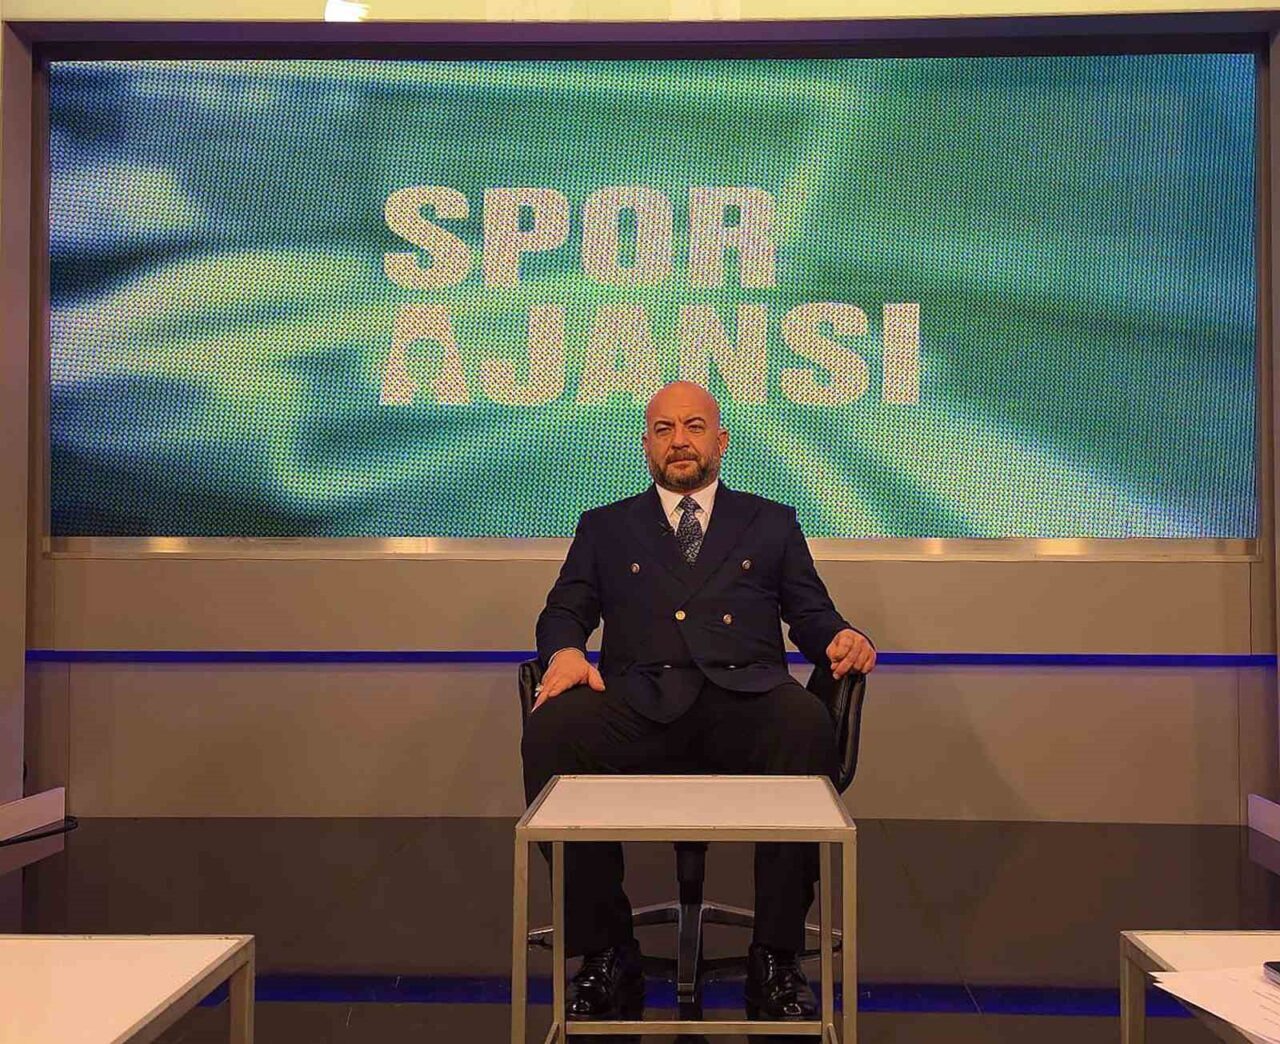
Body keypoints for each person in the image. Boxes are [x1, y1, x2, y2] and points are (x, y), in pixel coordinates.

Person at [521, 380, 876, 1022]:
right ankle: (606, 951)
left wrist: (841, 636)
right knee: (553, 731)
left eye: (693, 427)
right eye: (664, 429)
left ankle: (776, 956)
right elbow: (564, 610)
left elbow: (810, 612)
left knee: (803, 724)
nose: (679, 441)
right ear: (646, 445)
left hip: (745, 700)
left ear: (721, 440)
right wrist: (566, 652)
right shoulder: (606, 526)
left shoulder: (770, 521)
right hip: (640, 703)